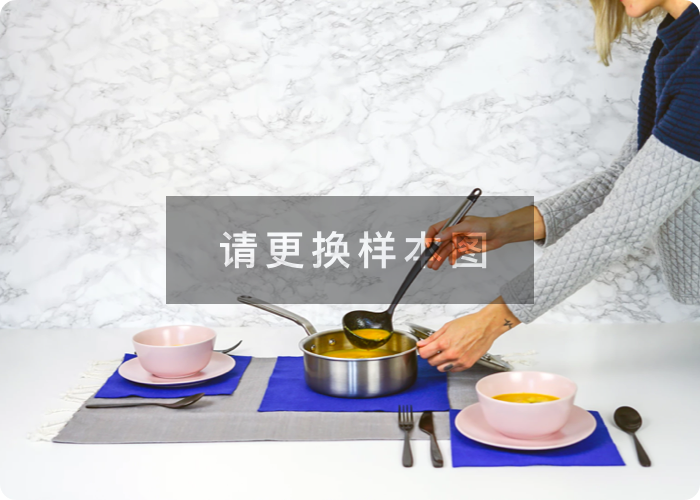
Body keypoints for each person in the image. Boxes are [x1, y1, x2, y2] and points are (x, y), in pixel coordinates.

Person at [417, 0, 700, 372]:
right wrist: (504, 228)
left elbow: (624, 220)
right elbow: (628, 180)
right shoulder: (675, 44)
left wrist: (491, 321)